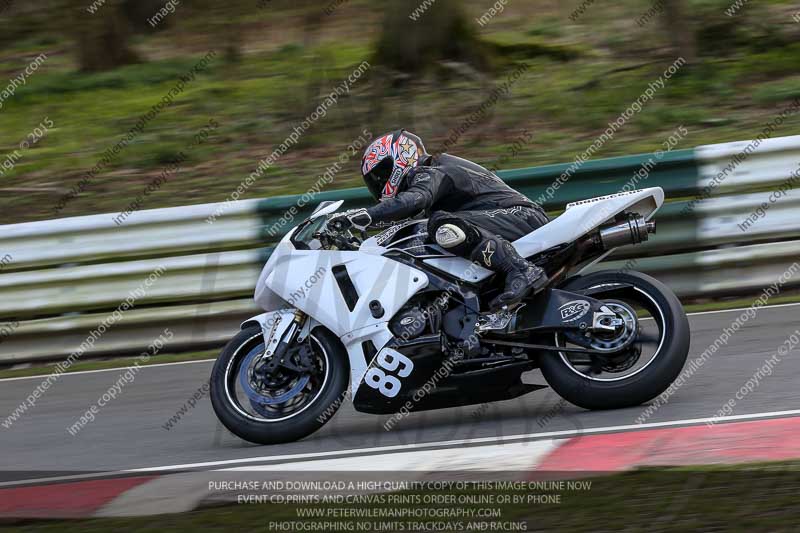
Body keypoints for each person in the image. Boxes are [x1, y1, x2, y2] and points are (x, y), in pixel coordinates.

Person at [328, 129, 549, 310]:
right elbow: (403, 219)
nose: (379, 184)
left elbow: (414, 200)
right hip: (505, 220)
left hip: (521, 215)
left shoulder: (430, 170)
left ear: (398, 157)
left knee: (440, 223)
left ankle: (521, 270)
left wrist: (364, 215)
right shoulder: (429, 176)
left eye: (381, 174)